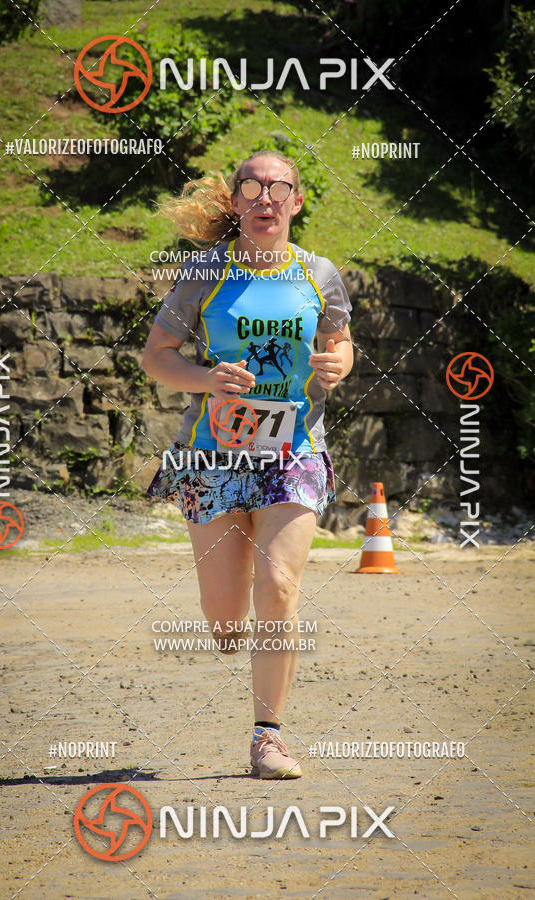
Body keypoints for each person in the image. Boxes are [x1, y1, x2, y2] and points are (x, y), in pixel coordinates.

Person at [142, 150, 354, 779]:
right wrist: (207, 377)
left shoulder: (320, 273)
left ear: (296, 201)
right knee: (227, 619)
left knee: (280, 586)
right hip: (212, 453)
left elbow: (338, 341)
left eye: (278, 188)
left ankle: (268, 736)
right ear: (234, 202)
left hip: (294, 450)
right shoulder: (206, 271)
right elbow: (158, 356)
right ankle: (231, 631)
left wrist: (339, 363)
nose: (265, 198)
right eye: (252, 188)